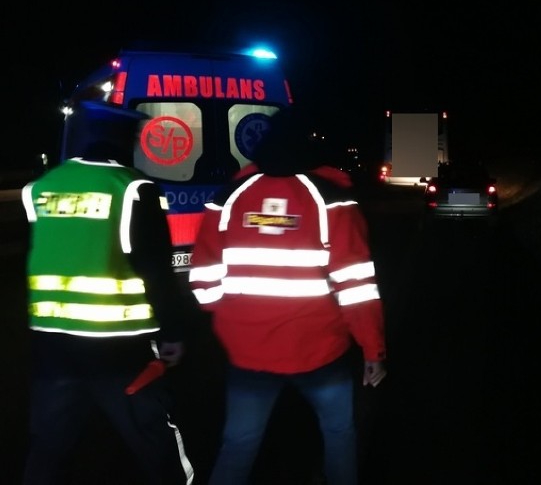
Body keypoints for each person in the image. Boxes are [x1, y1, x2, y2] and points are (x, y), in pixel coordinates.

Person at [189, 108, 387, 485]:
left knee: (239, 443)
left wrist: (230, 315)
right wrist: (372, 349)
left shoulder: (229, 197)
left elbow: (204, 275)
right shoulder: (333, 199)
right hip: (321, 352)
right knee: (339, 435)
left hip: (247, 353)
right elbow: (355, 285)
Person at [20, 105, 195, 485]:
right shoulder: (133, 188)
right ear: (125, 140)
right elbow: (156, 270)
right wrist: (174, 332)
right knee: (155, 441)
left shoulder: (41, 187)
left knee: (48, 445)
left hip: (53, 343)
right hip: (119, 349)